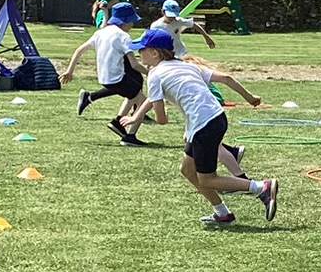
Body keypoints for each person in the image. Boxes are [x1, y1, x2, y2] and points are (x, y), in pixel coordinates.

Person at [118, 30, 278, 227]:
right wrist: (250, 98)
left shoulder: (155, 75)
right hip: (216, 117)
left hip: (204, 125)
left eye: (141, 49)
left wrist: (147, 117)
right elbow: (226, 78)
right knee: (187, 170)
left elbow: (161, 120)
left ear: (155, 53)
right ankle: (222, 213)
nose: (138, 54)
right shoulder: (186, 66)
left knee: (208, 179)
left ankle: (261, 187)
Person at [64, 2, 146, 137]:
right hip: (118, 78)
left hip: (104, 79)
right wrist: (152, 73)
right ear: (124, 22)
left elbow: (79, 50)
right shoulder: (123, 36)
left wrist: (69, 71)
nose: (132, 25)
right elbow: (134, 65)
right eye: (131, 21)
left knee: (134, 93)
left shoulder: (100, 33)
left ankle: (118, 122)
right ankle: (129, 136)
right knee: (143, 102)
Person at [150, 0, 216, 49]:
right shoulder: (156, 26)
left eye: (173, 16)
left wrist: (207, 37)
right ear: (163, 12)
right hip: (165, 55)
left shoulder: (178, 21)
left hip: (180, 53)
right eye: (169, 15)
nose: (172, 18)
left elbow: (194, 24)